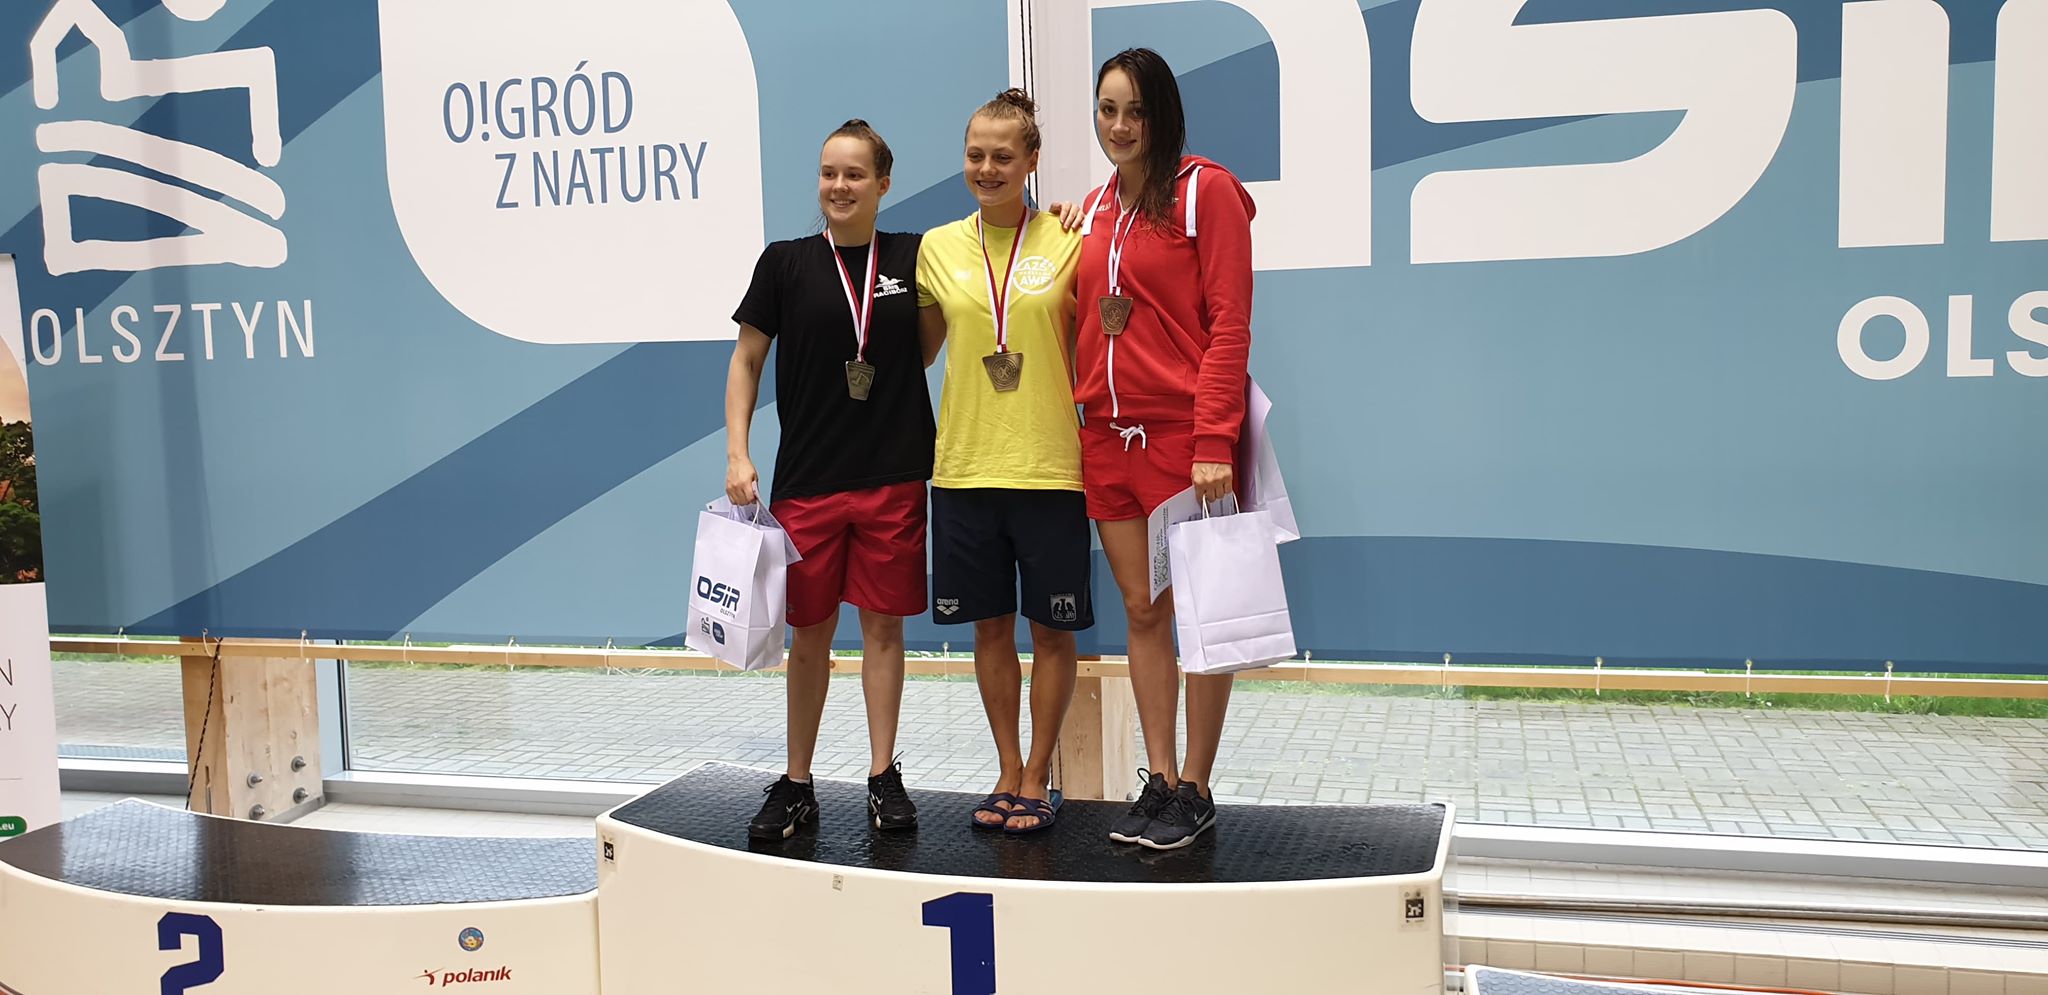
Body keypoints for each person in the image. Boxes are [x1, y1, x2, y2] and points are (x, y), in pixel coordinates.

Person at [1063, 48, 1256, 850]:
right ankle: (1163, 777)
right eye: (1107, 109)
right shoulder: (1091, 208)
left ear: (1163, 114)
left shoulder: (1206, 192)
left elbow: (1230, 324)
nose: (1119, 125)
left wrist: (1214, 437)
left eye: (1135, 110)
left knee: (1201, 615)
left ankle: (1198, 787)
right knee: (1143, 611)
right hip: (1108, 439)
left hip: (1184, 439)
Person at [725, 119, 932, 841]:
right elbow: (747, 359)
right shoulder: (784, 263)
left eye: (854, 174)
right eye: (828, 173)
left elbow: (941, 327)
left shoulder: (914, 256)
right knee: (809, 635)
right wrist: (737, 453)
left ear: (883, 183)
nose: (838, 186)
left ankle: (882, 776)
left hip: (893, 475)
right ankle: (797, 781)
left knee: (883, 630)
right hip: (808, 481)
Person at [915, 89, 1089, 835]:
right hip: (965, 468)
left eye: (1003, 156)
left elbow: (1090, 346)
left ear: (1031, 160)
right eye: (975, 155)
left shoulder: (1070, 239)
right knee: (989, 631)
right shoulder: (936, 249)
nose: (987, 169)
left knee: (1051, 633)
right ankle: (1007, 767)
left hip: (1049, 466)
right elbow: (921, 353)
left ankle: (1039, 774)